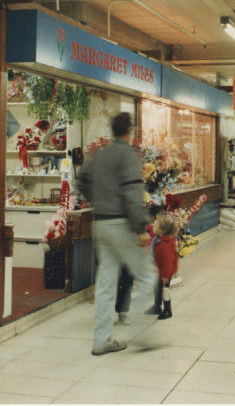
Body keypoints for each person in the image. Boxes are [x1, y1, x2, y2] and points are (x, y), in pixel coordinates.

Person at [78, 112, 158, 356]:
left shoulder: (99, 155)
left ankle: (101, 340)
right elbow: (133, 193)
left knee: (105, 283)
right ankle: (141, 334)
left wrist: (98, 200)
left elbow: (81, 182)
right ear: (129, 131)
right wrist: (140, 228)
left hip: (100, 222)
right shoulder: (128, 155)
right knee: (147, 275)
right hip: (122, 223)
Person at [147, 214, 179, 320]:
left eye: (155, 226)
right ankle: (157, 306)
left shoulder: (165, 245)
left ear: (162, 230)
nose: (153, 227)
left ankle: (167, 310)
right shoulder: (158, 239)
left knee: (165, 290)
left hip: (164, 273)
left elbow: (168, 261)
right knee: (157, 289)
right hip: (159, 270)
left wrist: (165, 275)